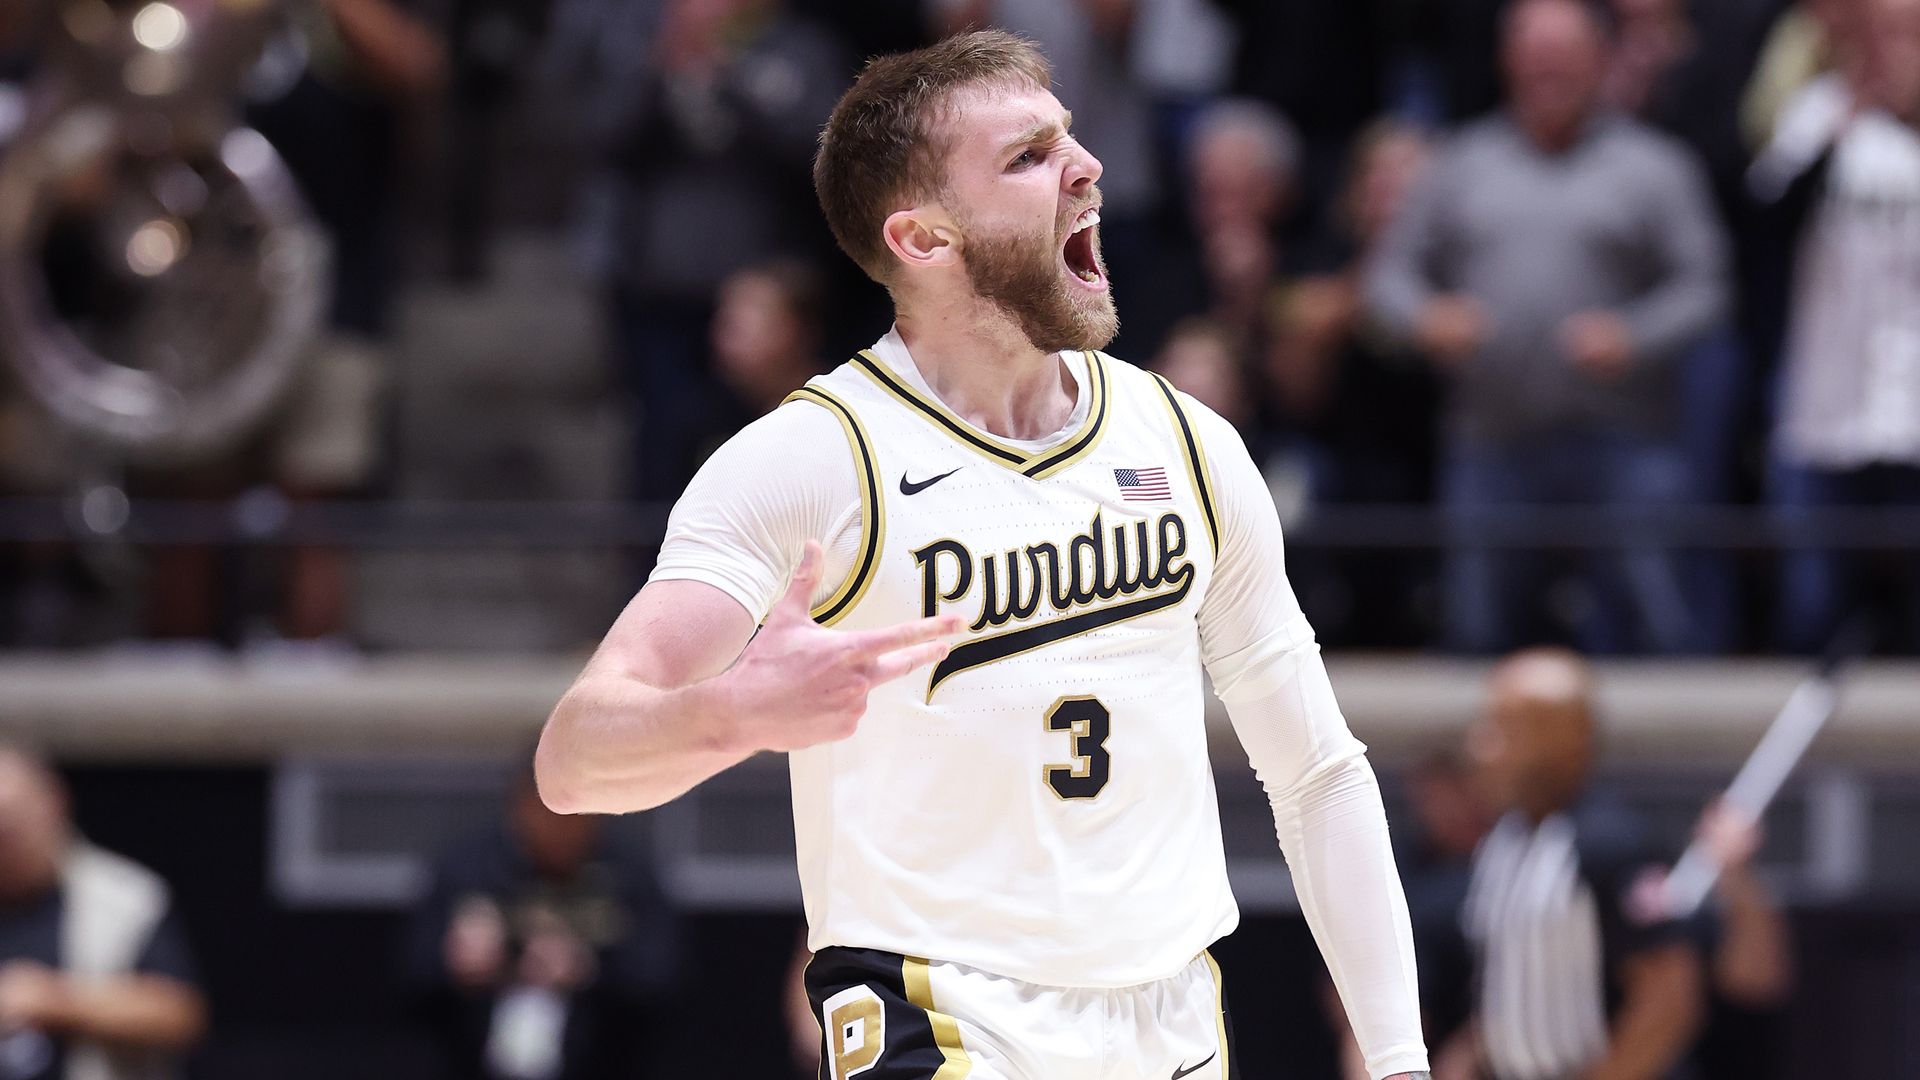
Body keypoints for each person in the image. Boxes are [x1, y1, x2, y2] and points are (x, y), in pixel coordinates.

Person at [536, 30, 1430, 1080]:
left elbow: (1318, 773)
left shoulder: (1186, 442)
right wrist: (731, 712)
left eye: (1071, 137)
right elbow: (572, 761)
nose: (1086, 166)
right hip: (937, 1004)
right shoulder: (816, 458)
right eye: (1029, 156)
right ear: (925, 239)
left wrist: (1400, 1058)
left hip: (1173, 1018)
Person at [1364, 0, 1730, 656]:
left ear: (1601, 60)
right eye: (1535, 58)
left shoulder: (1655, 166)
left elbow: (1706, 289)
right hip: (1491, 439)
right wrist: (1428, 318)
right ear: (1508, 61)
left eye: (1563, 58)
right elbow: (1388, 278)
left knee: (1661, 628)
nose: (1547, 73)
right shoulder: (1461, 161)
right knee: (1478, 633)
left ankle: (1672, 762)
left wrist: (1634, 335)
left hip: (1628, 440)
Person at [1751, 0, 1920, 653]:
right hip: (1825, 407)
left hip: (1913, 412)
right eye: (1878, 34)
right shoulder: (1818, 113)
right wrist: (1843, 128)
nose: (1892, 50)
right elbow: (1763, 233)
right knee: (1815, 609)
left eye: (1907, 34)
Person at [1450, 648, 1702, 1080]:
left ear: (1562, 742)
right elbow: (1515, 988)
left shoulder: (1613, 843)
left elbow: (1667, 1001)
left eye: (1503, 729)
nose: (1480, 747)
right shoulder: (1503, 844)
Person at [403, 759, 677, 1080]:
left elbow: (666, 980)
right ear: (520, 807)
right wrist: (458, 964)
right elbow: (410, 977)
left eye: (576, 812)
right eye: (549, 810)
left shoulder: (628, 876)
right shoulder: (467, 869)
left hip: (600, 1059)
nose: (561, 825)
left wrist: (589, 969)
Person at [0, 746, 207, 1080]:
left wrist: (54, 1001)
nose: (6, 841)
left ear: (53, 804)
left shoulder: (123, 897)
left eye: (13, 824)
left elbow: (179, 1016)